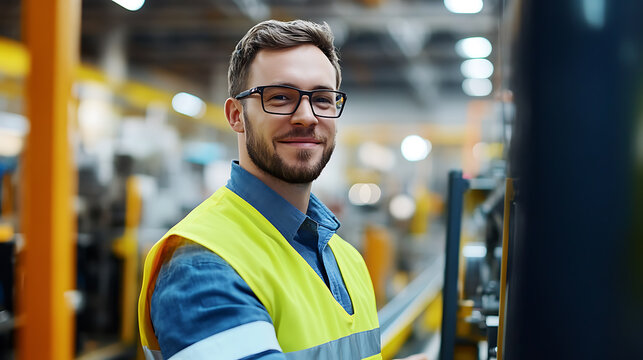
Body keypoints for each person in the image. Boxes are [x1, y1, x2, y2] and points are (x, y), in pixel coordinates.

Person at [138, 19, 427, 360]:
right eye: (279, 97)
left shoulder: (345, 258)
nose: (306, 116)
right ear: (236, 116)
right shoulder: (203, 262)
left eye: (322, 99)